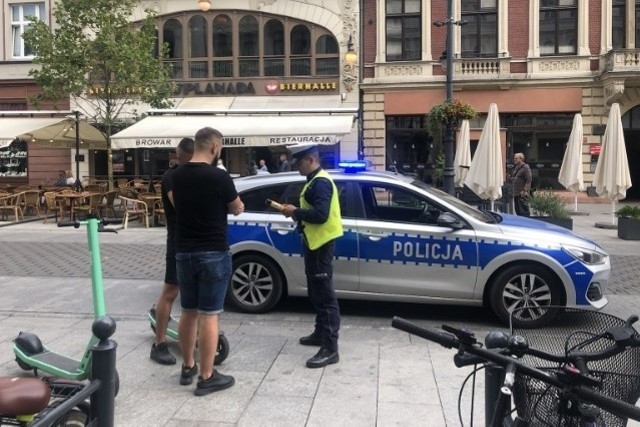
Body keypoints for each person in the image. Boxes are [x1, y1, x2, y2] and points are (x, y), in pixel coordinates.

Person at [171, 127, 244, 396]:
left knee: (188, 311)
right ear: (214, 147)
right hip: (213, 251)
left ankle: (187, 366)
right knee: (210, 314)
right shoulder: (219, 176)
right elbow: (235, 206)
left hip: (184, 251)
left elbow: (181, 205)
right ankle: (206, 376)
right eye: (220, 148)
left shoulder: (177, 175)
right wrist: (235, 206)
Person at [279, 143, 343, 369]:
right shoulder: (314, 181)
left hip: (321, 245)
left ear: (311, 160)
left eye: (298, 163)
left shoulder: (321, 183)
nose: (296, 166)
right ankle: (319, 333)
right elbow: (313, 211)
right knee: (316, 291)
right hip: (314, 243)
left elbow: (320, 215)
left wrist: (295, 212)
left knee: (325, 296)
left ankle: (330, 348)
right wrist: (295, 211)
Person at [150, 137, 194, 365]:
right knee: (171, 291)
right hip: (178, 240)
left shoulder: (193, 173)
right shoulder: (172, 176)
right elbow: (182, 206)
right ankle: (159, 344)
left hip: (196, 241)